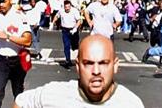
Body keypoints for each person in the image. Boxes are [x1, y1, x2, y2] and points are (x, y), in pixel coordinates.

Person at [13, 35, 144, 108]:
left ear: (115, 66)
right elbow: (21, 102)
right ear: (78, 66)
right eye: (88, 63)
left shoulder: (130, 103)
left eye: (103, 63)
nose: (96, 71)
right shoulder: (54, 94)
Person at [0, 0, 33, 108]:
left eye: (4, 1)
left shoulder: (19, 16)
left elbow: (28, 40)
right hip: (1, 60)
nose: (1, 4)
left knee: (18, 95)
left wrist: (8, 36)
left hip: (16, 60)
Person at [52, 0, 83, 68]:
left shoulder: (75, 11)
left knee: (75, 46)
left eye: (68, 7)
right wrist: (52, 23)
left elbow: (79, 20)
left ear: (70, 6)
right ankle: (68, 60)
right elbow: (56, 16)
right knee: (66, 45)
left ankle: (79, 58)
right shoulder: (61, 10)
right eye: (66, 7)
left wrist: (75, 28)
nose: (67, 9)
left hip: (73, 30)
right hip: (65, 30)